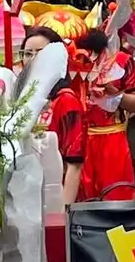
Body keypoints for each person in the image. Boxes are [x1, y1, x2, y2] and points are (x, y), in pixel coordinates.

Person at [21, 26, 87, 204]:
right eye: (28, 53)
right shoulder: (22, 99)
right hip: (28, 198)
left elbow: (75, 164)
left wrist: (62, 212)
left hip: (54, 198)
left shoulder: (66, 101)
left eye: (40, 53)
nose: (33, 59)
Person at [75, 29, 135, 202]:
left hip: (112, 138)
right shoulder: (73, 62)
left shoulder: (120, 62)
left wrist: (115, 94)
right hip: (80, 139)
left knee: (116, 194)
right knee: (82, 197)